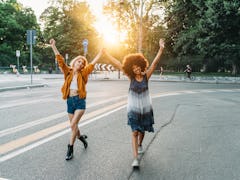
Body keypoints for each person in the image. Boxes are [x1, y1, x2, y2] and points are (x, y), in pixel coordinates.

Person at [103, 39, 165, 168]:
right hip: (133, 109)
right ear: (131, 69)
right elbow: (117, 63)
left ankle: (140, 144)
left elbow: (154, 63)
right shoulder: (131, 78)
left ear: (141, 65)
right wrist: (107, 54)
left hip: (145, 109)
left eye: (138, 67)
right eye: (134, 68)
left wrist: (161, 49)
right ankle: (135, 158)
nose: (136, 69)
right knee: (135, 132)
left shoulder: (146, 76)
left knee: (142, 131)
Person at [49, 38, 103, 160]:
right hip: (70, 102)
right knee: (74, 127)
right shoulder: (67, 72)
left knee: (73, 124)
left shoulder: (83, 74)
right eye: (79, 62)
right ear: (74, 62)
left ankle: (70, 149)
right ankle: (82, 138)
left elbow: (92, 64)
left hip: (79, 102)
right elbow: (60, 60)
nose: (81, 64)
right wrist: (53, 46)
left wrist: (100, 53)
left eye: (82, 63)